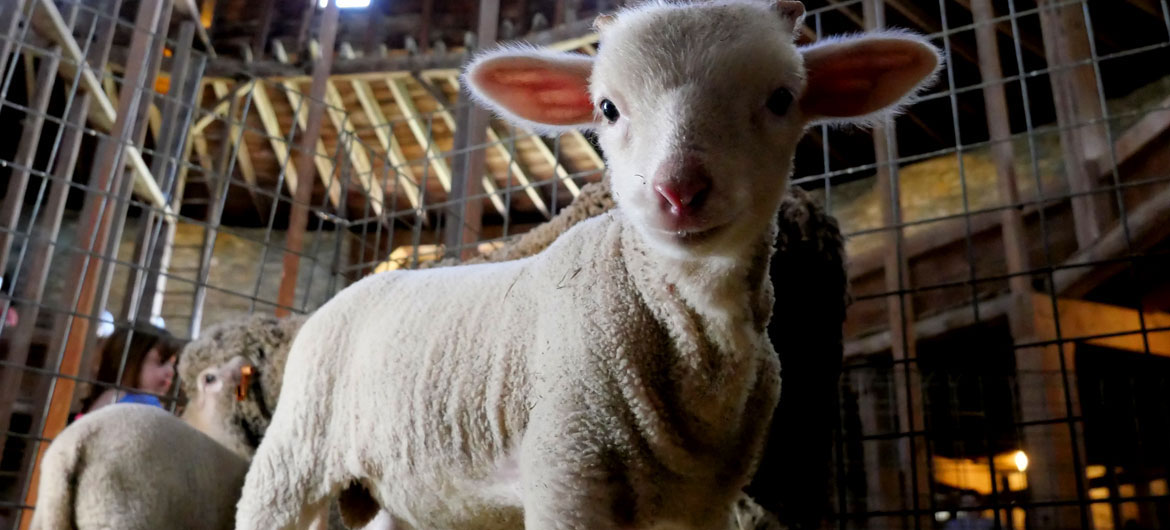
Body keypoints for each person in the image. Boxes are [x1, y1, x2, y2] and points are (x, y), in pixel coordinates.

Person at [77, 323, 182, 417]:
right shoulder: (140, 402)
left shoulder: (108, 397)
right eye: (161, 362)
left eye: (172, 364)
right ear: (129, 364)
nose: (171, 371)